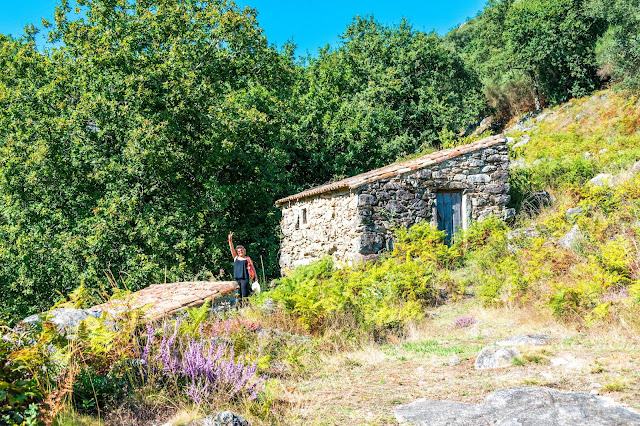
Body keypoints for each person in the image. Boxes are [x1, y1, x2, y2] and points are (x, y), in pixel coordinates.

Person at [228, 232, 258, 305]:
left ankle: (246, 308)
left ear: (244, 251)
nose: (240, 252)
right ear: (237, 252)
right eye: (239, 251)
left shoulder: (247, 258)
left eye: (241, 250)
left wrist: (256, 277)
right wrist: (230, 240)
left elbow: (252, 267)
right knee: (238, 295)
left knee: (245, 294)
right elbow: (231, 248)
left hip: (245, 278)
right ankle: (239, 308)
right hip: (237, 279)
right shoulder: (236, 258)